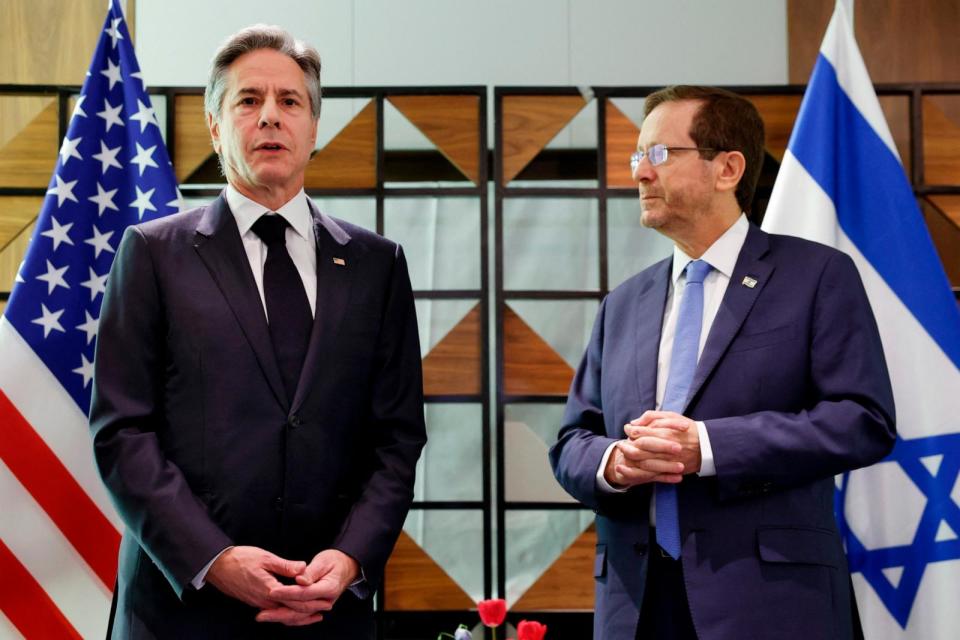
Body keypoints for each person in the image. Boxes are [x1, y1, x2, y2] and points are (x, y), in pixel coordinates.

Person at [90, 24, 426, 638]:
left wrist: (350, 558)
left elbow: (398, 439)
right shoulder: (152, 253)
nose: (271, 116)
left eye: (290, 101)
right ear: (216, 126)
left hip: (328, 610)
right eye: (248, 101)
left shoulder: (379, 266)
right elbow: (121, 431)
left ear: (314, 128)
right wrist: (213, 559)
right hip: (181, 610)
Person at [549, 85, 896, 640]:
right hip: (635, 605)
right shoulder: (624, 302)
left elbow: (863, 421)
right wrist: (615, 462)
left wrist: (706, 448)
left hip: (768, 602)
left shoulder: (816, 276)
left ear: (728, 168)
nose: (640, 172)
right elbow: (571, 441)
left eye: (659, 154)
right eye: (638, 156)